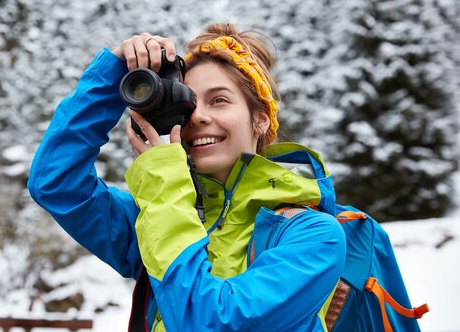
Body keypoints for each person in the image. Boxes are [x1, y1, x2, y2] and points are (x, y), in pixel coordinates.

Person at [28, 23, 346, 332]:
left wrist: (165, 176)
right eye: (189, 102)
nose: (199, 116)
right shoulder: (157, 214)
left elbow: (210, 321)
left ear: (260, 120)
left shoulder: (314, 234)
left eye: (219, 100)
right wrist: (113, 74)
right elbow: (56, 183)